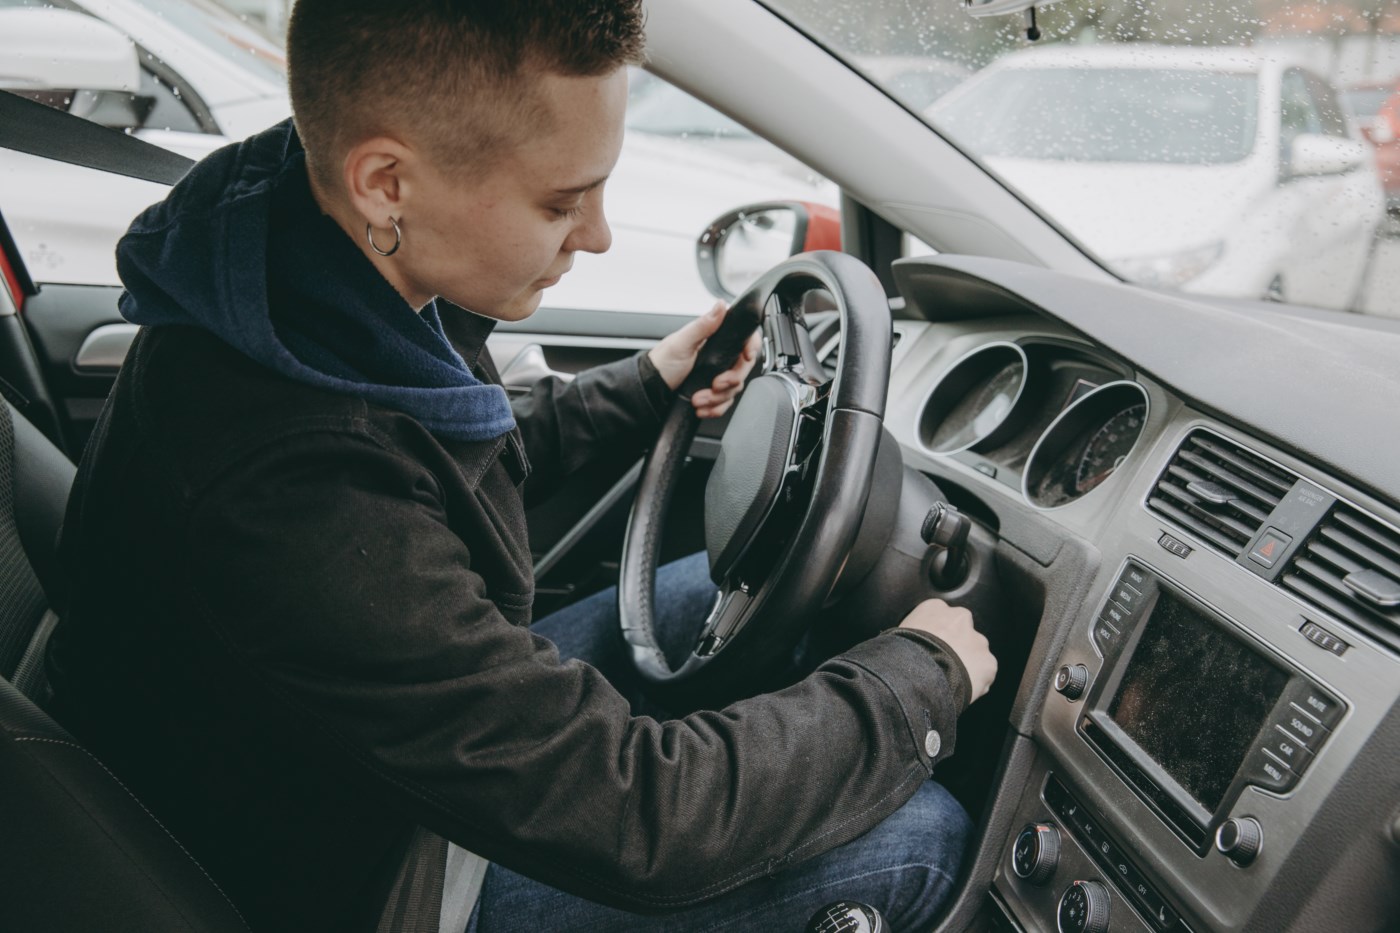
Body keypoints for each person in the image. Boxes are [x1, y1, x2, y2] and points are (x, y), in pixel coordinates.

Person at [46, 1, 998, 931]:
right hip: (371, 877)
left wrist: (644, 386)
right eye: (560, 202)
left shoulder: (309, 279)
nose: (597, 235)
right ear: (386, 182)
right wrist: (916, 682)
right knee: (923, 839)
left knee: (717, 592)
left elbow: (438, 468)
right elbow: (643, 816)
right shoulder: (291, 487)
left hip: (351, 776)